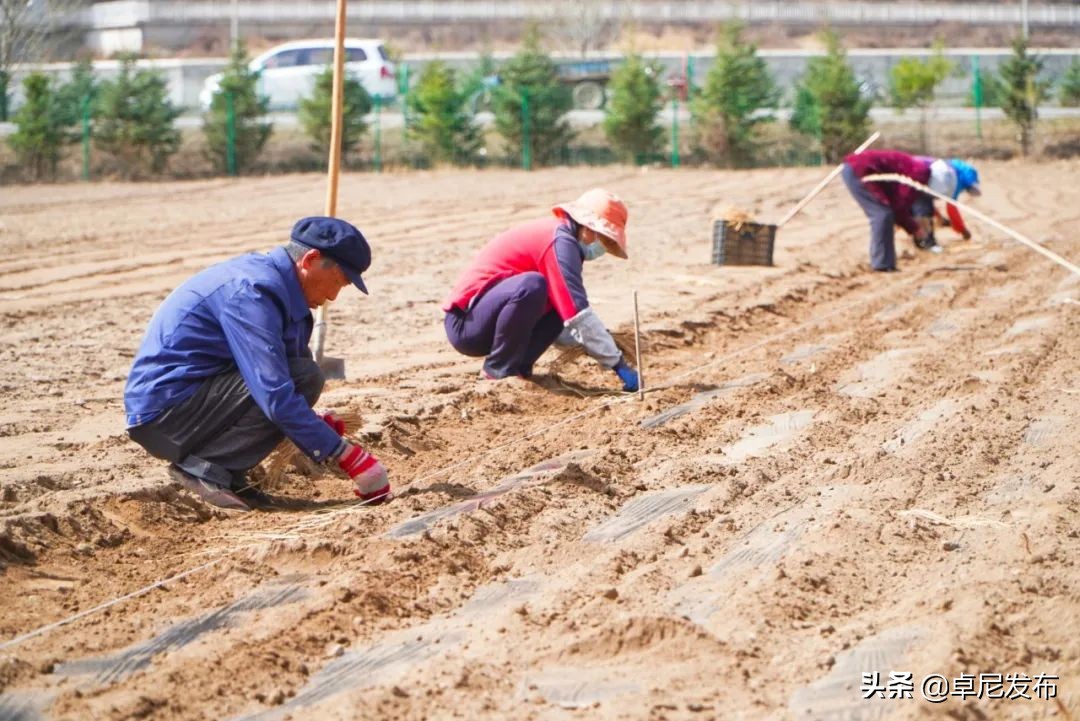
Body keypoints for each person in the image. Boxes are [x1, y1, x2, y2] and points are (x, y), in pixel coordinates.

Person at [124, 217, 390, 512]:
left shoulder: (286, 296)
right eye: (338, 281)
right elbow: (274, 393)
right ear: (311, 260)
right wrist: (344, 454)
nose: (333, 296)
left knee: (306, 377)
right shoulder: (252, 292)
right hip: (165, 414)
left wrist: (314, 427)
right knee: (301, 378)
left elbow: (285, 384)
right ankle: (204, 469)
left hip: (196, 404)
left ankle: (226, 474)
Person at [442, 188, 640, 392]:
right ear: (588, 228)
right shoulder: (559, 242)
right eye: (605, 240)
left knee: (556, 301)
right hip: (468, 325)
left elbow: (567, 317)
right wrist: (618, 365)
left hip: (491, 321)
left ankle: (518, 368)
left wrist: (593, 342)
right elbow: (578, 312)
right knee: (532, 285)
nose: (602, 248)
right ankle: (498, 369)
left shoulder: (566, 242)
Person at [841, 149, 957, 272]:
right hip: (859, 170)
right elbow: (899, 206)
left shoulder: (919, 171)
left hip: (858, 167)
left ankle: (885, 263)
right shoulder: (917, 175)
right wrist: (915, 229)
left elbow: (898, 203)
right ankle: (882, 265)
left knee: (885, 213)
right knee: (882, 214)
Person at [917, 158, 981, 240]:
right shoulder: (955, 182)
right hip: (940, 177)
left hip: (929, 169)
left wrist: (940, 218)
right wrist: (963, 231)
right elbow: (951, 209)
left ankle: (939, 221)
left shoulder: (955, 167)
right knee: (924, 206)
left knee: (925, 200)